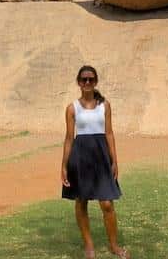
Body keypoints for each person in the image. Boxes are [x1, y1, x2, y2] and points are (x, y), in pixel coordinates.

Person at [61, 65, 129, 259]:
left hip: (101, 158)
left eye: (91, 79)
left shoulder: (104, 105)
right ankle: (89, 246)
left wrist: (114, 160)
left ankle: (114, 246)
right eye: (84, 80)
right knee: (81, 201)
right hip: (80, 157)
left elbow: (109, 133)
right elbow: (68, 138)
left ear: (96, 81)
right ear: (79, 83)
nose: (88, 83)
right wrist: (64, 166)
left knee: (107, 204)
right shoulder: (71, 108)